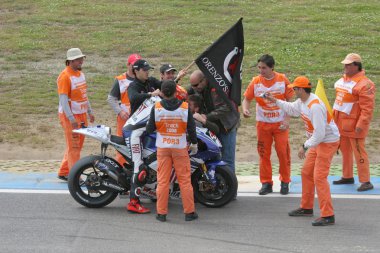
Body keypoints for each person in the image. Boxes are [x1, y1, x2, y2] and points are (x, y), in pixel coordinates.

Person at [266, 76, 340, 226]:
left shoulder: (315, 106)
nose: (293, 90)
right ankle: (306, 207)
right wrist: (275, 100)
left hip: (327, 142)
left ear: (301, 89)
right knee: (306, 173)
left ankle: (328, 215)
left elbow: (320, 134)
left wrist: (304, 146)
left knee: (319, 177)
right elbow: (292, 109)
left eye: (295, 88)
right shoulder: (302, 101)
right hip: (317, 141)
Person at [146, 80, 198, 222]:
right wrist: (194, 143)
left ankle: (161, 213)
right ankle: (189, 212)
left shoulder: (156, 108)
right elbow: (192, 128)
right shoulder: (184, 107)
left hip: (163, 148)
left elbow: (149, 129)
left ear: (162, 93)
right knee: (185, 181)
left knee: (162, 181)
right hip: (180, 147)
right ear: (176, 92)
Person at [242, 54, 294, 195]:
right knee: (264, 154)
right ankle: (266, 183)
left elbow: (291, 102)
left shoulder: (282, 80)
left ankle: (285, 181)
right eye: (259, 67)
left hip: (280, 125)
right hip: (263, 124)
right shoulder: (256, 81)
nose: (261, 71)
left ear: (272, 67)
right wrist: (245, 109)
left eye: (264, 68)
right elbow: (246, 99)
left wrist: (287, 120)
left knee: (283, 153)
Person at [332, 53, 376, 191]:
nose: (345, 66)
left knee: (359, 152)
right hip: (341, 124)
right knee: (345, 151)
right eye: (345, 64)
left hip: (354, 126)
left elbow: (367, 109)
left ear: (356, 66)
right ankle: (347, 176)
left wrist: (361, 125)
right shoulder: (343, 80)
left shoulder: (365, 84)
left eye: (348, 64)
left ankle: (366, 181)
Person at [123, 59, 161, 214]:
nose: (147, 72)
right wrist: (151, 94)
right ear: (136, 71)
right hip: (135, 131)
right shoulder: (133, 85)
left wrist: (175, 79)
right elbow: (133, 98)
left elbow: (164, 86)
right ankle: (133, 202)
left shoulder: (150, 81)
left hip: (148, 130)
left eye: (148, 70)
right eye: (145, 70)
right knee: (140, 167)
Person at [189, 70, 240, 173]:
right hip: (211, 127)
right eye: (192, 85)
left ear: (204, 80)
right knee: (215, 157)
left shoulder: (218, 86)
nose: (194, 88)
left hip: (227, 126)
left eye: (196, 85)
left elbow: (228, 107)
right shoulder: (196, 89)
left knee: (227, 159)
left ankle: (230, 186)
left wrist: (206, 117)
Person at [57, 48, 95, 181]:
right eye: (79, 59)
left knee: (76, 145)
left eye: (82, 59)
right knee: (74, 146)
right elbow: (63, 99)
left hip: (81, 114)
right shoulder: (64, 76)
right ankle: (74, 176)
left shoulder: (80, 74)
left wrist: (89, 111)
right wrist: (71, 118)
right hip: (71, 116)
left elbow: (84, 95)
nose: (81, 61)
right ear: (71, 61)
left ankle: (64, 171)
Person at [107, 53, 141, 166]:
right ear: (128, 65)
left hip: (138, 118)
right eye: (134, 65)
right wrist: (120, 112)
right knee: (122, 145)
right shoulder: (120, 80)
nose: (136, 67)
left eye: (138, 65)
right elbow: (111, 98)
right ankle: (121, 168)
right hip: (124, 118)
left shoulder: (142, 79)